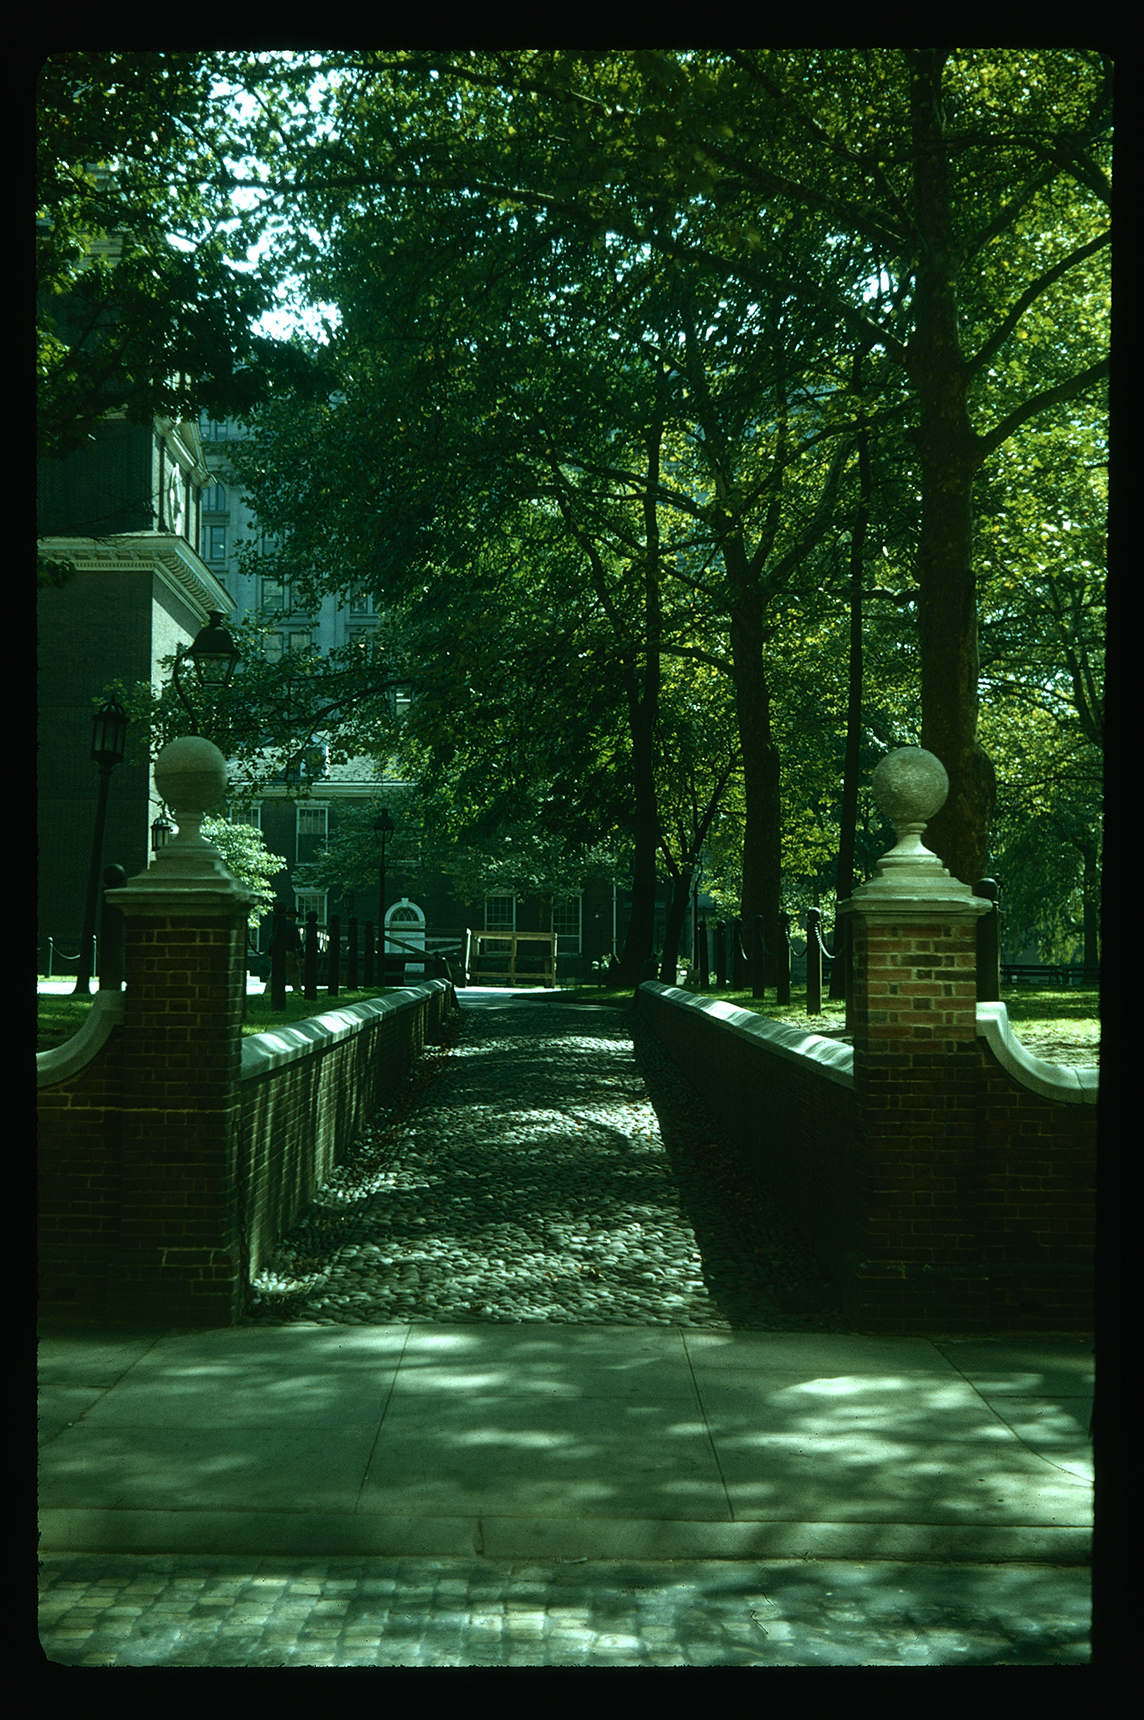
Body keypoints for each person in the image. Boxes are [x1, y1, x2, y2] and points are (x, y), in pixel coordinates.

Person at [283, 909, 304, 992]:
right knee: (294, 974)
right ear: (294, 916)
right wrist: (302, 956)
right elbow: (297, 942)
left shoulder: (279, 924)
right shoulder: (293, 926)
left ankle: (268, 991)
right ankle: (297, 990)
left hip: (278, 953)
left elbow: (272, 939)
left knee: (274, 975)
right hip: (289, 952)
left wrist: (270, 953)